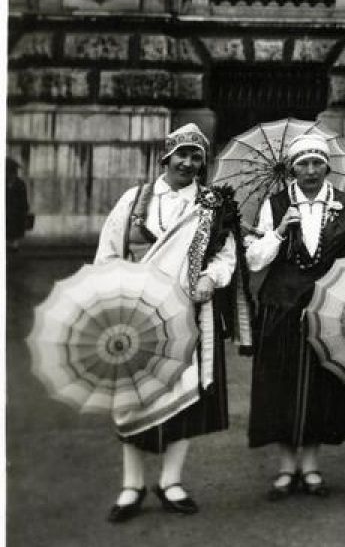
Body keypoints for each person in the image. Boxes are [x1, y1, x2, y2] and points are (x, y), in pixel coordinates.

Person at [94, 124, 244, 522]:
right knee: (132, 398)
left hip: (189, 318)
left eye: (197, 157)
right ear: (166, 157)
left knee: (184, 398)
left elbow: (226, 256)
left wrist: (212, 278)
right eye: (183, 155)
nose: (189, 163)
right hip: (137, 319)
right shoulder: (135, 199)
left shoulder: (213, 205)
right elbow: (108, 254)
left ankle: (171, 481)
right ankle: (131, 485)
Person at [246, 133, 345, 500]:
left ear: (327, 166)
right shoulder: (275, 205)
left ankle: (311, 467)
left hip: (325, 308)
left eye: (317, 163)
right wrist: (281, 231)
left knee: (322, 386)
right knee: (280, 384)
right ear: (292, 168)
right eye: (303, 164)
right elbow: (254, 260)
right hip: (281, 307)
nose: (311, 171)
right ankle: (286, 468)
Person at [7, 157, 32, 252]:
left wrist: (24, 210)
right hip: (8, 212)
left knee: (14, 230)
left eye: (12, 172)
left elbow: (23, 200)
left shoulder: (20, 184)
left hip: (16, 213)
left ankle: (13, 246)